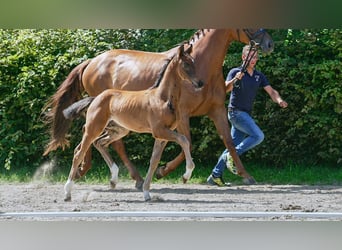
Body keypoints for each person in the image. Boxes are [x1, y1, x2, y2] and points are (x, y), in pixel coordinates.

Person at [207, 44, 288, 187]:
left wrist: (279, 100)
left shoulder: (258, 76)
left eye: (256, 57)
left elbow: (271, 91)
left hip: (245, 114)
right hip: (235, 113)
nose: (254, 59)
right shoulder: (235, 71)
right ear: (244, 57)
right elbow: (224, 90)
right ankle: (232, 156)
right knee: (258, 136)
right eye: (251, 56)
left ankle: (215, 175)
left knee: (232, 145)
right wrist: (235, 80)